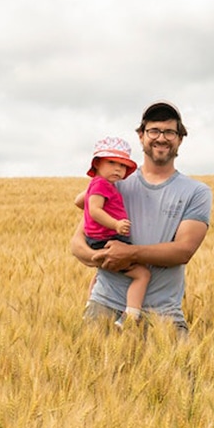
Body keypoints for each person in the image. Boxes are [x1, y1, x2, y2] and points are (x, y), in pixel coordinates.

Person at [71, 101, 212, 331]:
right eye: (154, 130)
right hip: (104, 305)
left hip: (164, 314)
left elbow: (184, 250)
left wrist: (129, 253)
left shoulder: (196, 192)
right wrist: (96, 256)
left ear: (180, 138)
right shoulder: (114, 183)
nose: (161, 138)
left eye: (169, 132)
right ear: (141, 136)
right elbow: (78, 243)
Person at [76, 136, 151, 325]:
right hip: (108, 238)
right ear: (97, 163)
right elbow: (94, 210)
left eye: (122, 165)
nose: (118, 169)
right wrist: (116, 224)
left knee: (101, 272)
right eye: (112, 162)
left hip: (101, 239)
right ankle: (130, 317)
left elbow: (82, 203)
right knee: (142, 274)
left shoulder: (103, 185)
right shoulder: (101, 184)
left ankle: (89, 304)